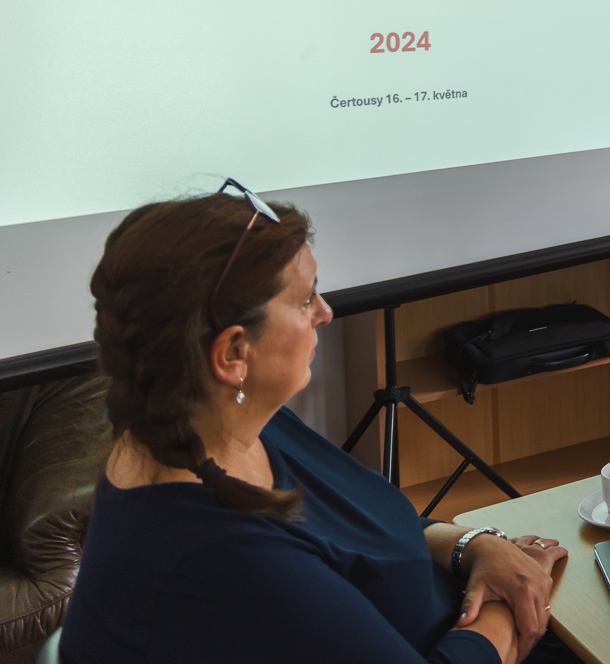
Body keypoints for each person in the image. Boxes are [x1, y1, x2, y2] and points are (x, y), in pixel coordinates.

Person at [61, 183, 574, 664]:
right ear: (233, 353)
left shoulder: (224, 425)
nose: (325, 313)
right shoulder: (224, 557)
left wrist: (477, 548)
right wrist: (507, 604)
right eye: (306, 299)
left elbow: (361, 532)